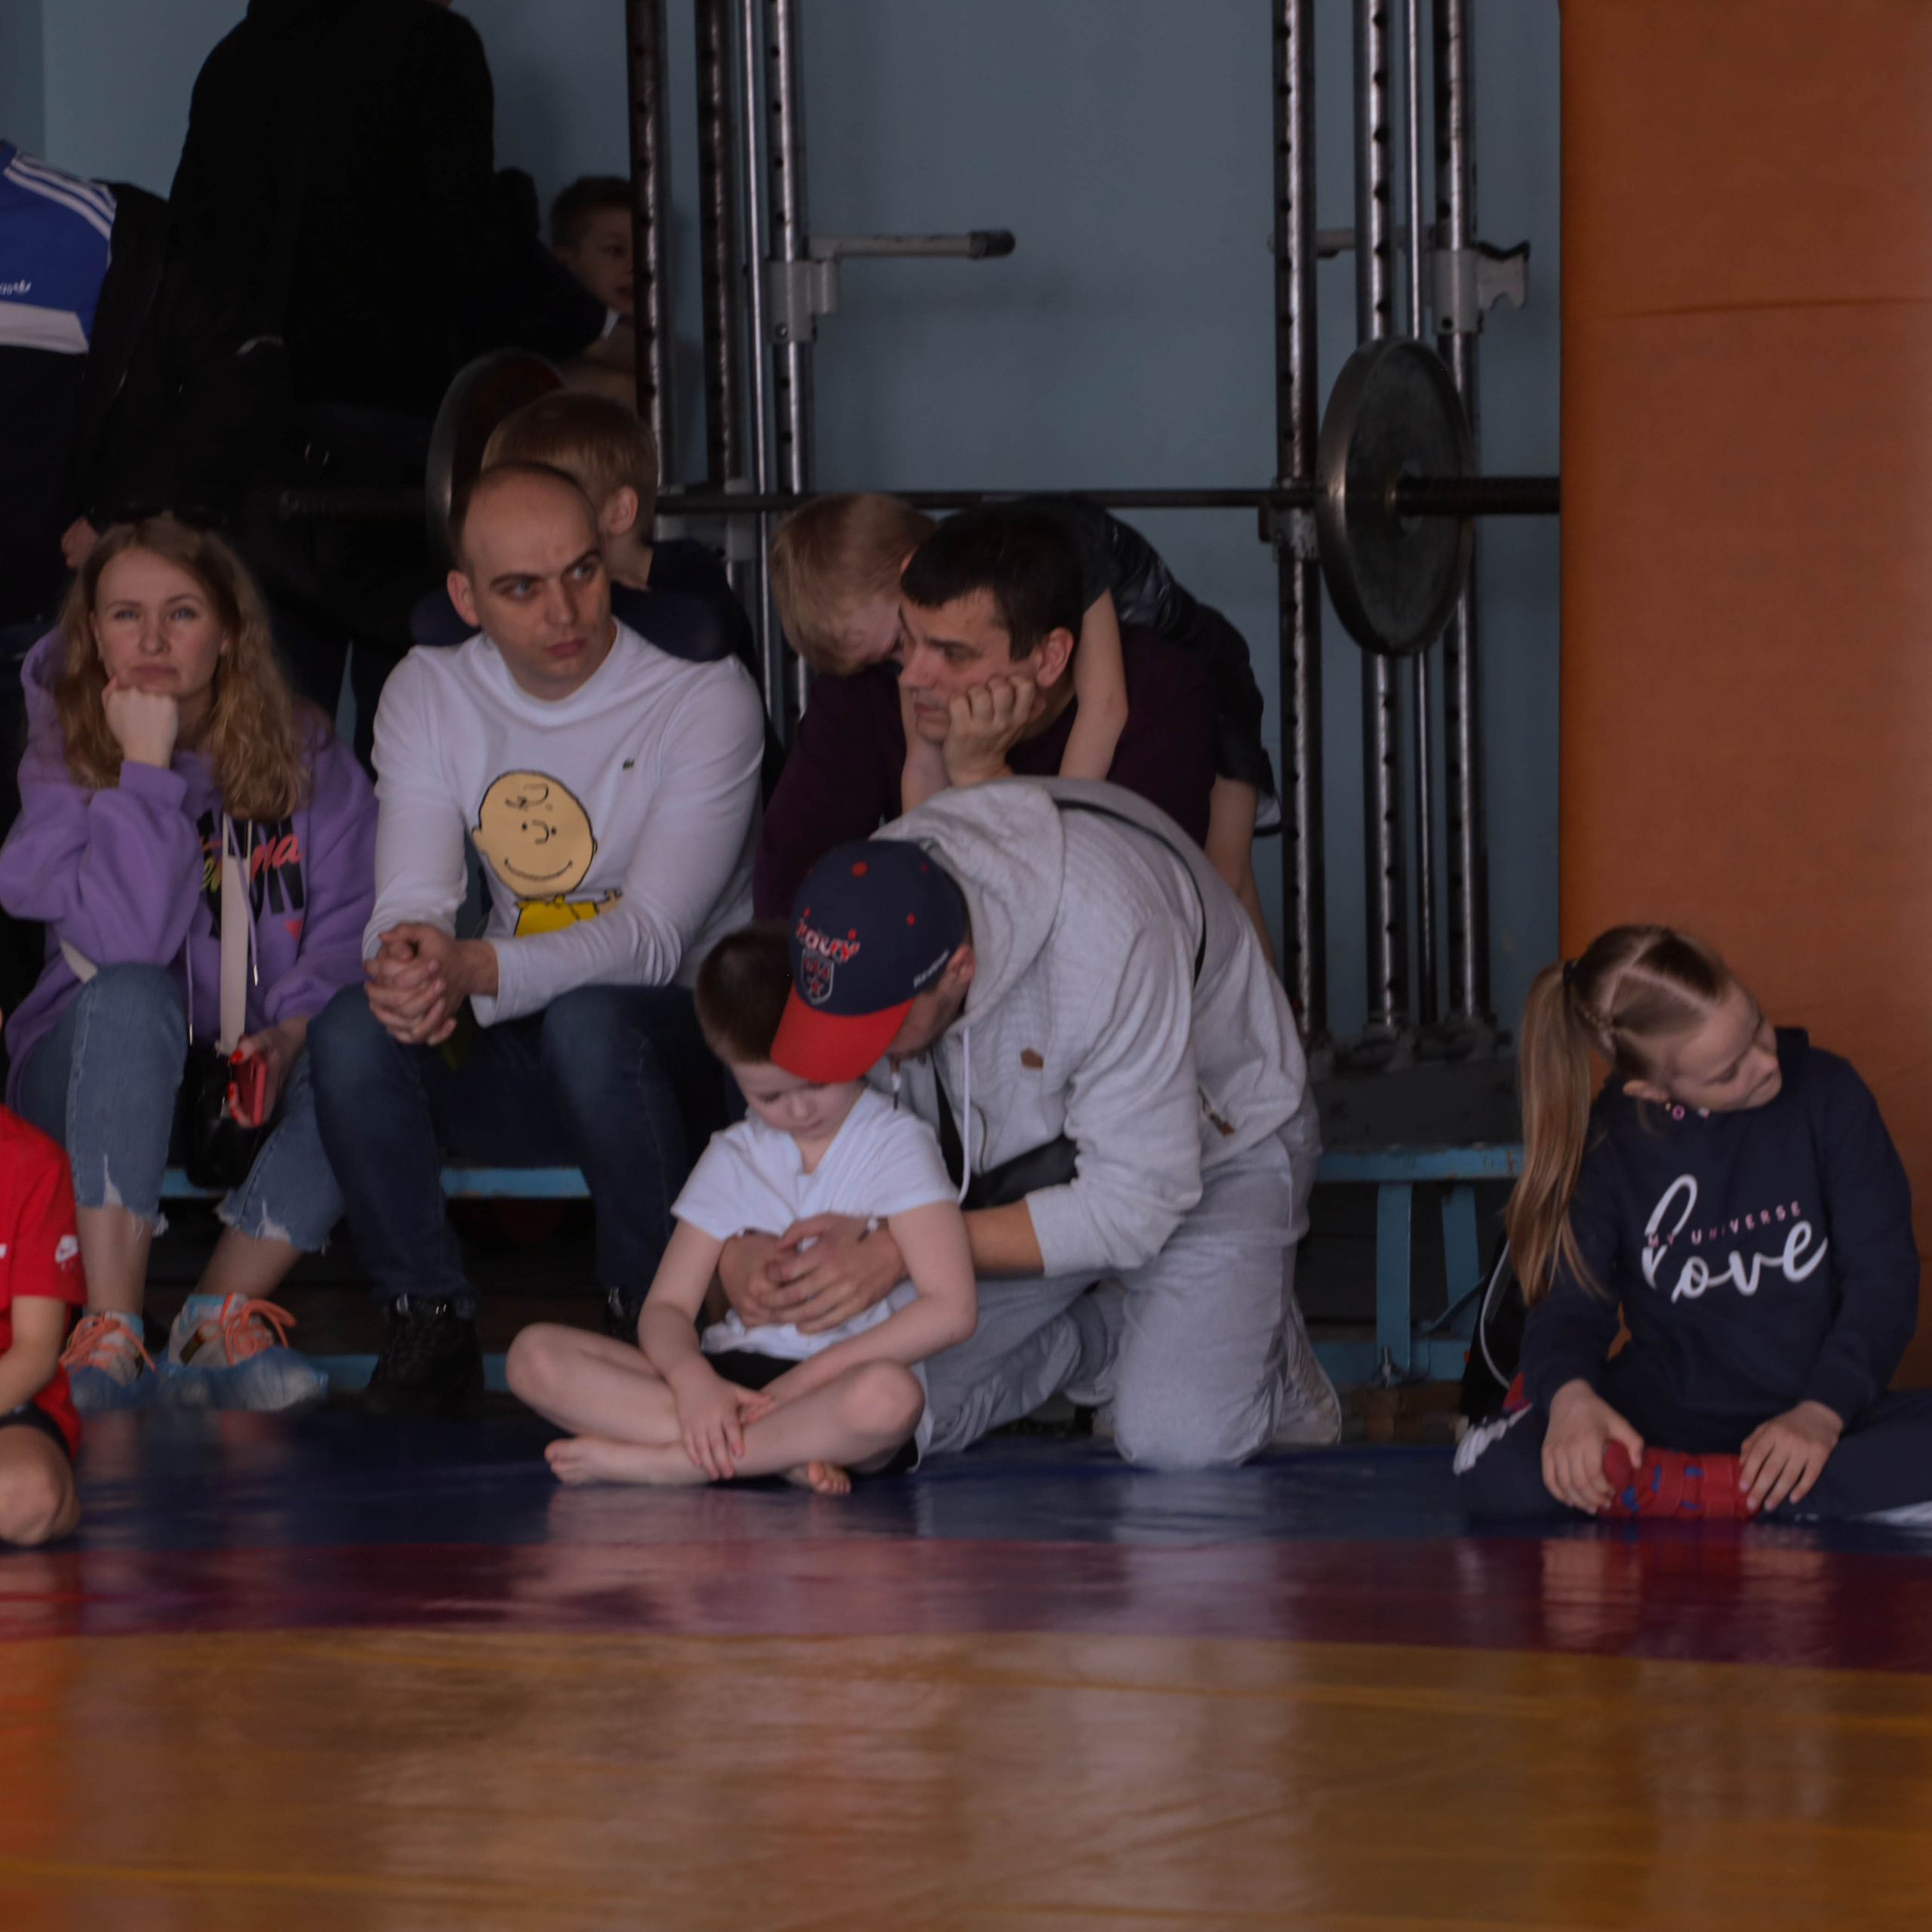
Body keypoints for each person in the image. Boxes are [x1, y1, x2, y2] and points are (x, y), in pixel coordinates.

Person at [308, 464, 766, 1413]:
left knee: (596, 1021)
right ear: (465, 599)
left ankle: (652, 1317)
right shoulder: (428, 687)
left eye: (583, 572)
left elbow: (649, 941)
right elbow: (415, 899)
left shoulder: (701, 692)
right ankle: (424, 1318)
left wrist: (472, 966)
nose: (565, 611)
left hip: (682, 1054)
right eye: (522, 587)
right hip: (536, 1048)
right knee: (354, 1028)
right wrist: (410, 965)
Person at [729, 780, 1337, 1469]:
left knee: (1179, 1440)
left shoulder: (1113, 927)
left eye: (879, 1031)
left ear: (958, 970)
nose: (857, 1057)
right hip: (1017, 1179)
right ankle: (1104, 1338)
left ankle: (1267, 1349)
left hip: (1217, 1151)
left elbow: (1137, 1203)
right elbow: (792, 1131)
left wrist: (902, 1245)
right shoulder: (858, 914)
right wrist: (742, 1247)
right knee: (876, 1413)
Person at [0, 518, 377, 1411]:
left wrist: (286, 1037)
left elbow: (346, 932)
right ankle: (114, 1332)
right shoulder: (62, 759)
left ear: (230, 631)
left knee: (372, 1044)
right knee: (132, 996)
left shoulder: (309, 755)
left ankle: (217, 1319)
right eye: (126, 615)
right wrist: (145, 770)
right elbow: (128, 949)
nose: (155, 640)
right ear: (94, 635)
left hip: (245, 1075)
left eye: (183, 613)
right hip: (92, 1074)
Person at [1455, 925, 1932, 1521]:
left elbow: (1882, 1283)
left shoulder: (1831, 1095)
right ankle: (1754, 1496)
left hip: (1821, 1415)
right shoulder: (1610, 1140)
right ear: (1653, 1090)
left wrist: (1820, 1415)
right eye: (1727, 1071)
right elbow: (1572, 1310)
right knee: (1511, 1481)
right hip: (1663, 1420)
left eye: (1756, 1023)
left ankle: (1697, 1493)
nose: (1764, 1063)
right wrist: (1574, 1404)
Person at [506, 919, 974, 1491]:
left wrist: (806, 1383)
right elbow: (667, 1309)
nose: (799, 1110)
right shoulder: (733, 1154)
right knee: (533, 1357)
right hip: (733, 1376)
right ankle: (775, 1455)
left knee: (889, 1398)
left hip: (841, 1381)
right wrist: (692, 1381)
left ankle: (674, 1462)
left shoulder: (898, 1141)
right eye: (769, 1096)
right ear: (734, 1074)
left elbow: (952, 1310)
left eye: (815, 1083)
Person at [762, 492, 1277, 951]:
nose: (909, 674)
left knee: (1227, 877)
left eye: (908, 642)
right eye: (895, 656)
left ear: (917, 567)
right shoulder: (903, 664)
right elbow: (919, 778)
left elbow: (1105, 710)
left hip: (1214, 669)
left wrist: (993, 784)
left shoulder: (1067, 555)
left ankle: (1274, 1046)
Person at [0, 1106, 86, 1546]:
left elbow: (34, 1355)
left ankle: (55, 1496)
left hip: (10, 1401)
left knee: (27, 1495)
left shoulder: (34, 1163)